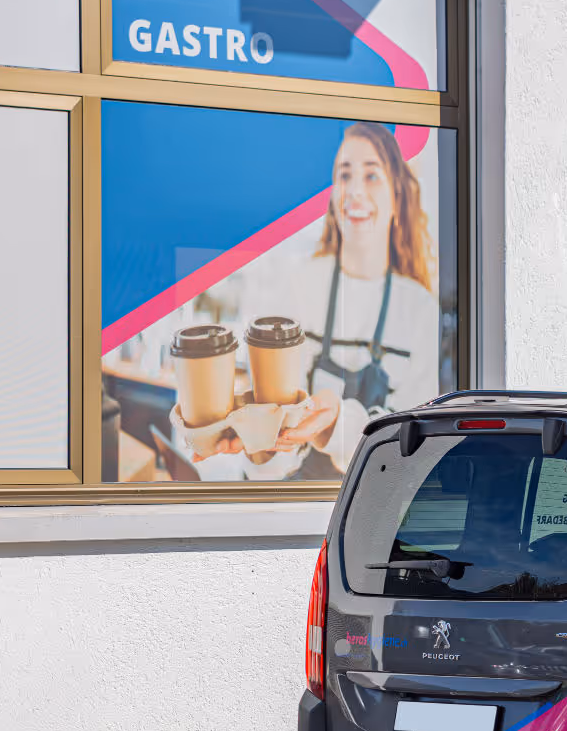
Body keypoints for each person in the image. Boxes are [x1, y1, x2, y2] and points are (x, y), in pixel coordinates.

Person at [176, 120, 441, 479]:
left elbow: (414, 452)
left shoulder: (419, 308)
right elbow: (272, 464)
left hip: (378, 504)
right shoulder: (298, 283)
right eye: (344, 176)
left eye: (372, 175)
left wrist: (334, 426)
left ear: (398, 194)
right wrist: (261, 443)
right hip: (298, 499)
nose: (355, 191)